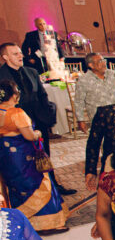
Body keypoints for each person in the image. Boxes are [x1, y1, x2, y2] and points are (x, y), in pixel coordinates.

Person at [0, 80, 68, 232]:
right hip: (24, 157)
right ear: (13, 95)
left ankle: (24, 223)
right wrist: (38, 133)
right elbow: (29, 136)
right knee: (38, 184)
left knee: (17, 187)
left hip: (6, 157)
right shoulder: (16, 113)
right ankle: (48, 224)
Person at [0, 43, 61, 173]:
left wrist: (46, 117)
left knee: (44, 155)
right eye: (15, 54)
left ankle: (51, 182)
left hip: (38, 120)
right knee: (23, 159)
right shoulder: (1, 75)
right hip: (15, 125)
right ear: (5, 57)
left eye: (20, 53)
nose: (20, 56)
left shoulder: (32, 72)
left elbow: (42, 95)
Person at [75, 53, 115, 128]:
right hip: (98, 118)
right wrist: (80, 120)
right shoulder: (84, 80)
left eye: (104, 60)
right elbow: (79, 101)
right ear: (91, 65)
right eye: (100, 61)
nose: (104, 63)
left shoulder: (113, 75)